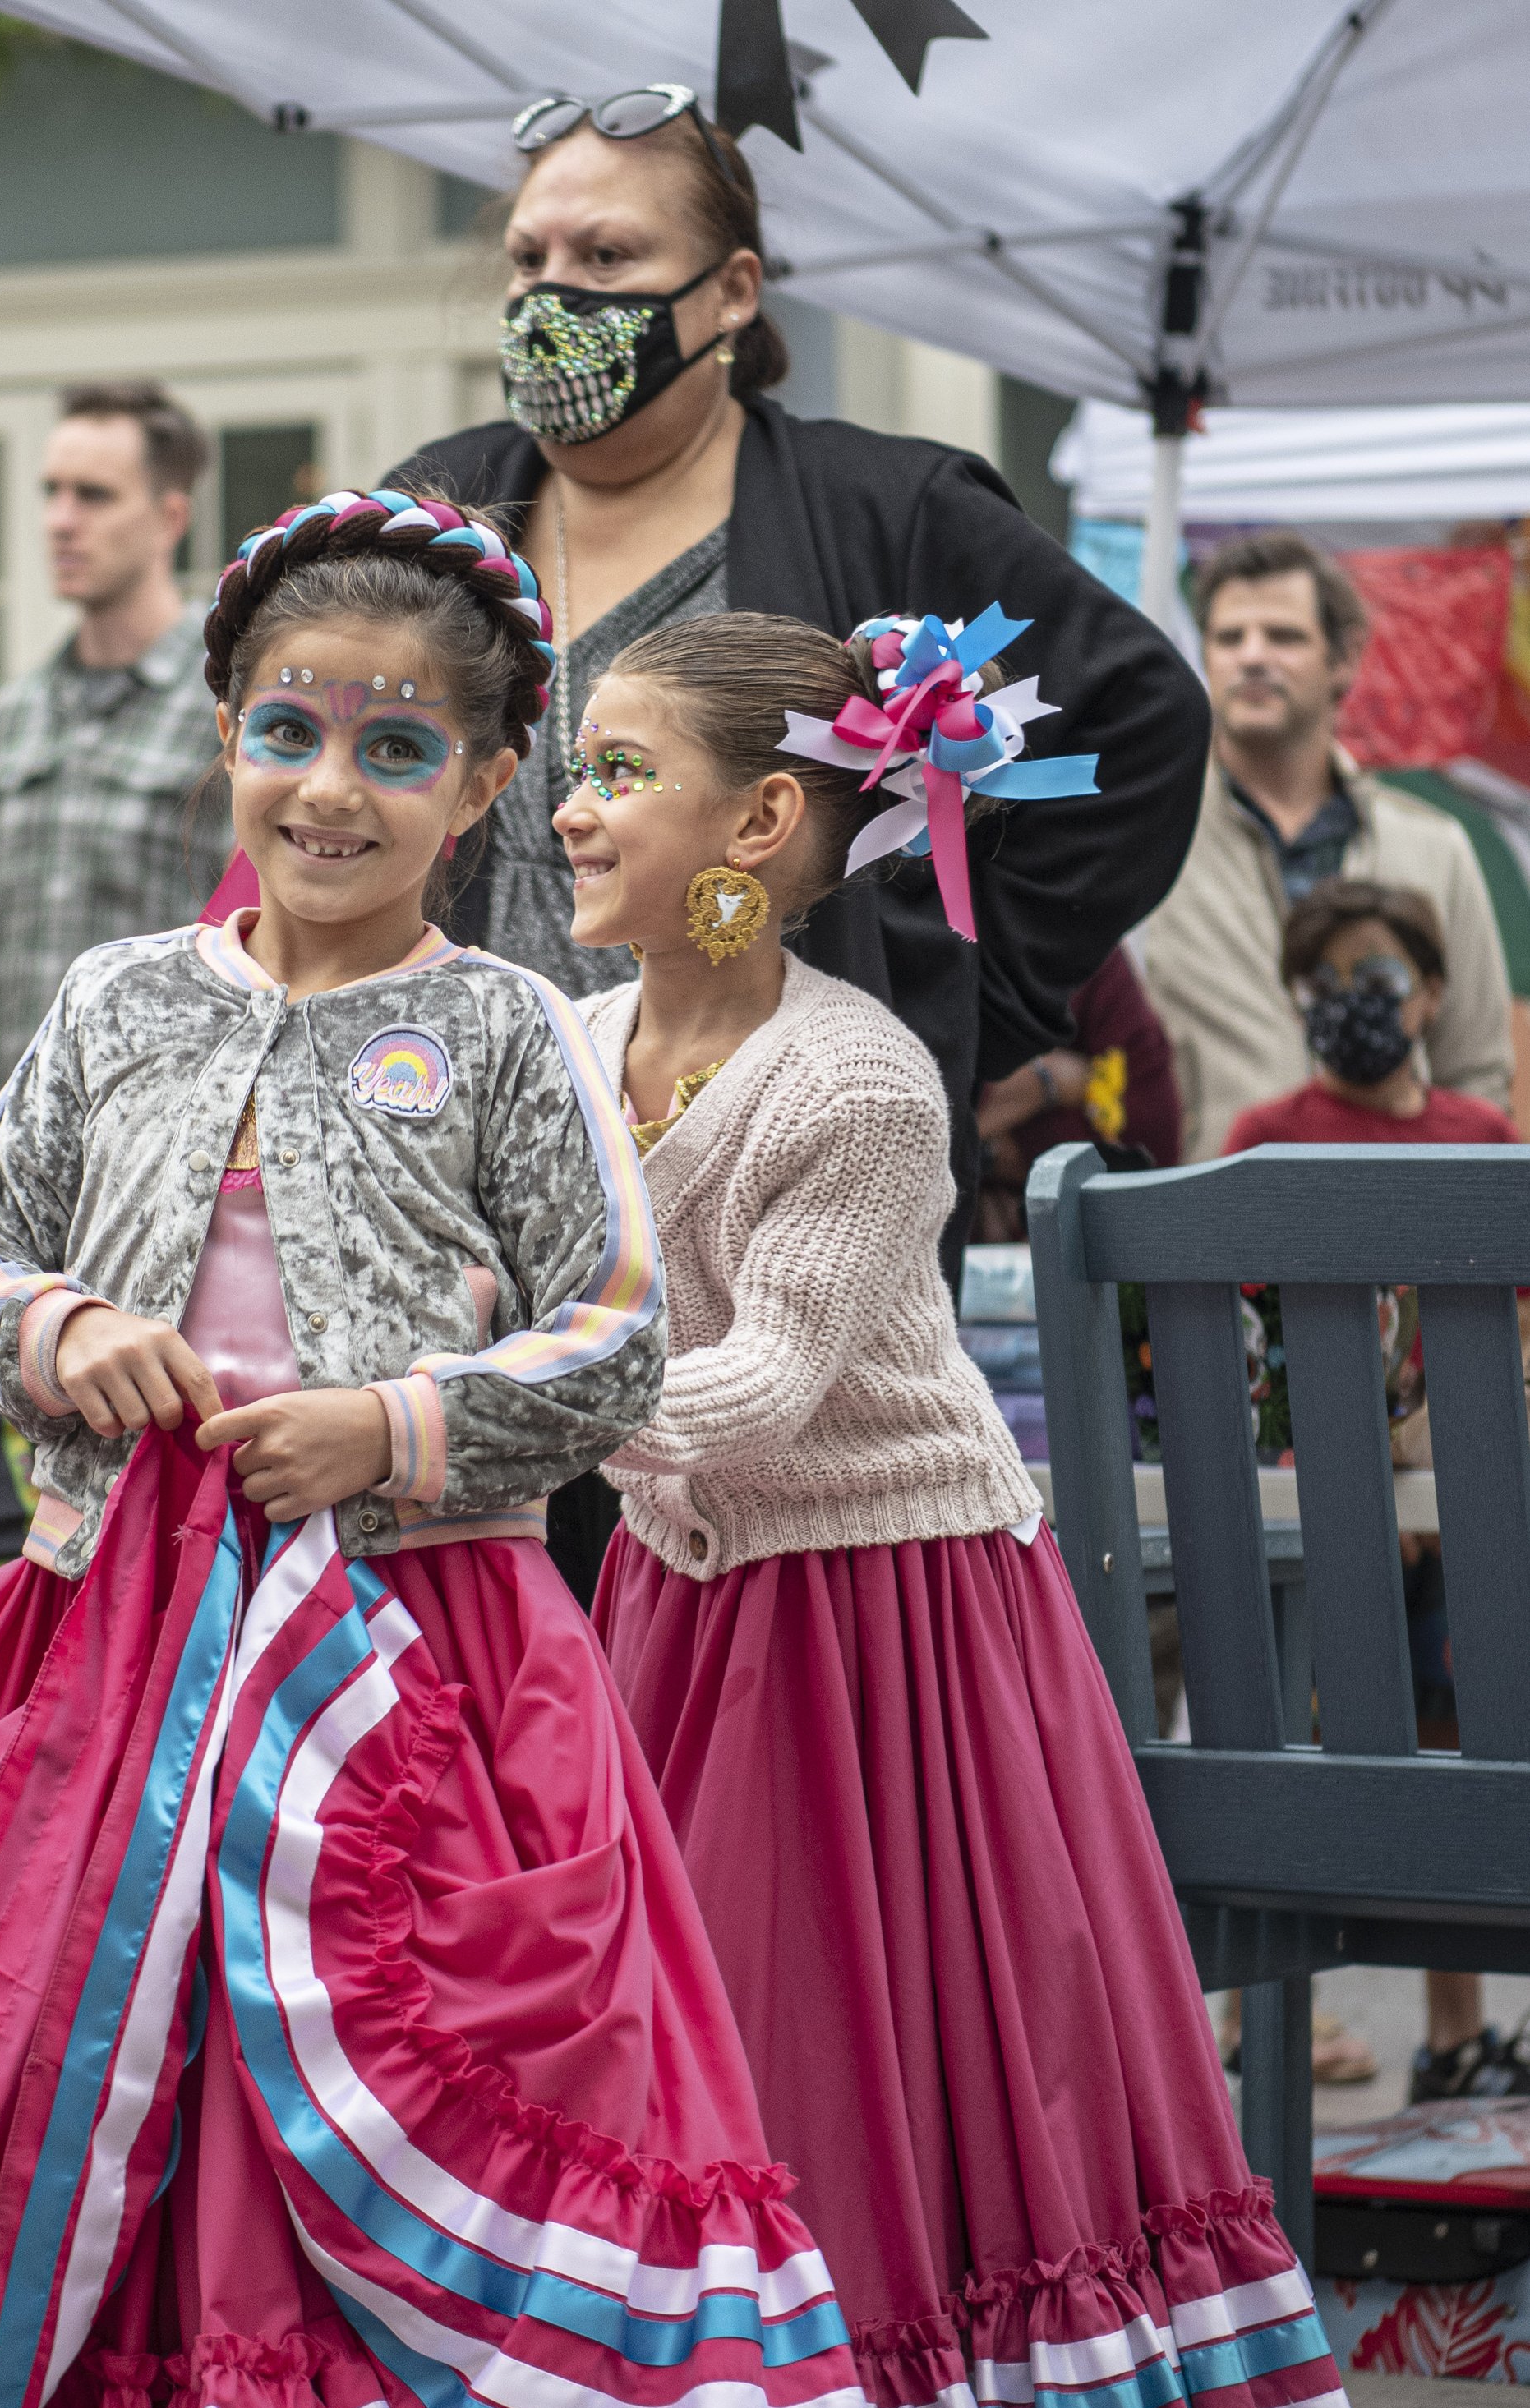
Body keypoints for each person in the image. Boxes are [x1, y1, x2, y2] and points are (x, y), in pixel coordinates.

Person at [0, 490, 889, 2408]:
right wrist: (56, 1330)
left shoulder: (497, 1031)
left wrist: (396, 1422)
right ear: (222, 748)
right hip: (123, 1638)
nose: (327, 789)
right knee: (161, 2137)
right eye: (285, 731)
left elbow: (610, 1334)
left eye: (395, 749)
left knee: (368, 2109)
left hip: (415, 1650)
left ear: (482, 790)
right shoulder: (114, 1002)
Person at [558, 607, 1382, 2408]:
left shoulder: (854, 1074)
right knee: (681, 2039)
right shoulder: (566, 1043)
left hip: (892, 1611)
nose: (571, 805)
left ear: (755, 817)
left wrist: (463, 1406)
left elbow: (753, 1395)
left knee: (860, 2051)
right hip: (677, 1588)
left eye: (616, 771)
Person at [385, 88, 1205, 1595]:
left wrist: (957, 990)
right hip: (476, 1200)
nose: (555, 298)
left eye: (611, 260)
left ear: (733, 294)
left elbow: (1143, 728)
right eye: (528, 258)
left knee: (730, 1657)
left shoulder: (886, 507)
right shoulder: (443, 503)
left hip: (769, 1215)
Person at [1223, 875, 1530, 2106]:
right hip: (1312, 1500)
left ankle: (1455, 2030)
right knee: (1297, 1734)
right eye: (1328, 984)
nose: (1354, 1005)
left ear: (1436, 994)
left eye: (1380, 980)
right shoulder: (1263, 1140)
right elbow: (1244, 1353)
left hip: (1465, 1495)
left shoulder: (1480, 1137)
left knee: (1458, 1732)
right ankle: (1259, 2018)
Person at [1141, 531, 1514, 1166]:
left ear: (1343, 661)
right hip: (1211, 1227)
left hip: (1402, 1231)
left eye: (1283, 636)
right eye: (1230, 638)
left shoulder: (1433, 845)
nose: (1252, 657)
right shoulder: (1148, 841)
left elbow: (1476, 1069)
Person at [0, 379, 232, 1166]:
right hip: (11, 1158)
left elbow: (266, 950)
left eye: (94, 496)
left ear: (171, 517)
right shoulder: (14, 713)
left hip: (161, 1157)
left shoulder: (230, 713)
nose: (61, 521)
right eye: (53, 493)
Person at [970, 944, 1182, 1241]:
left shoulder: (1086, 946)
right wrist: (1048, 1080)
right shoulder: (929, 936)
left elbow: (1150, 1149)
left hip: (1068, 1247)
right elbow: (933, 1115)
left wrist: (985, 1152)